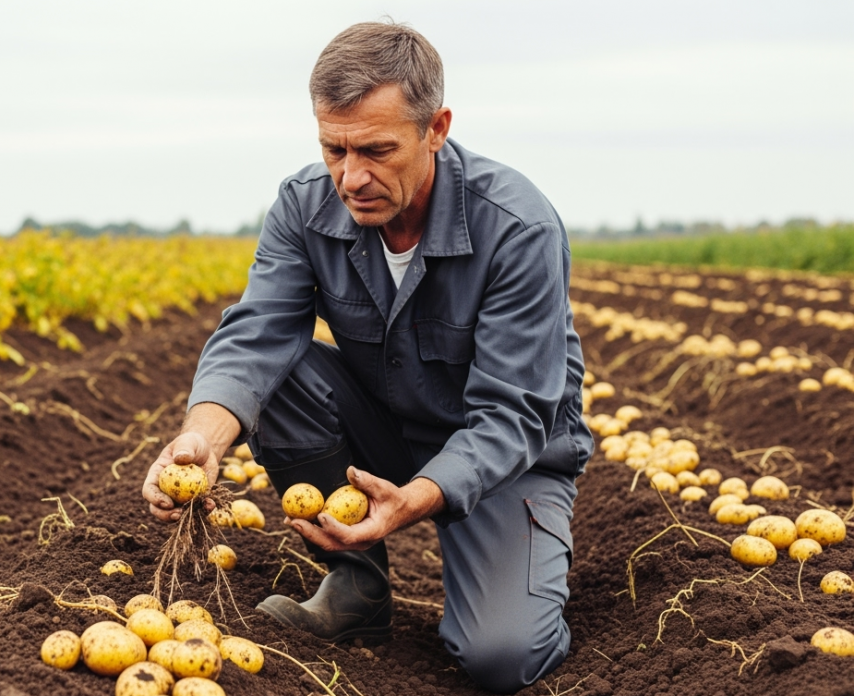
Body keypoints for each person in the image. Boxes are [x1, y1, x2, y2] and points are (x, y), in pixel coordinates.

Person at [141, 20, 592, 694]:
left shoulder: (516, 227)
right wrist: (201, 440)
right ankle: (358, 588)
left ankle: (522, 575)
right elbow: (258, 333)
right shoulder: (302, 206)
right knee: (281, 369)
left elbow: (512, 415)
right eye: (334, 150)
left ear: (435, 128)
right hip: (383, 426)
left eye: (378, 150)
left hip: (504, 460)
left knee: (501, 659)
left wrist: (413, 499)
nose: (352, 177)